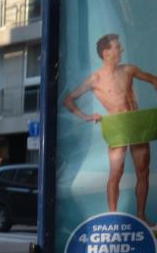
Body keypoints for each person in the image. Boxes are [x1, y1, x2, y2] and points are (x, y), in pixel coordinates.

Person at [64, 34, 157, 224]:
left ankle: (141, 215)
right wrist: (88, 117)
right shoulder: (95, 79)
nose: (121, 50)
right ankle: (113, 217)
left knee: (143, 170)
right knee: (116, 172)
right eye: (117, 47)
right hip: (116, 126)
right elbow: (68, 100)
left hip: (136, 122)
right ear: (107, 53)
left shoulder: (129, 69)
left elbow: (154, 79)